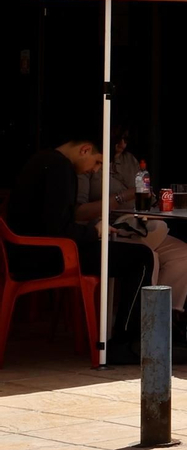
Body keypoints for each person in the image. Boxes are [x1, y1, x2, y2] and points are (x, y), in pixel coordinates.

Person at [7, 135, 166, 364]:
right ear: (85, 150)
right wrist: (95, 232)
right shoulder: (60, 168)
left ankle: (124, 337)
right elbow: (58, 228)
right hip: (47, 254)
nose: (95, 170)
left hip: (28, 251)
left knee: (130, 253)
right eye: (98, 162)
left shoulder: (42, 160)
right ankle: (123, 343)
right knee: (141, 257)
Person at [74, 124, 187, 316]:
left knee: (185, 254)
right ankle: (143, 325)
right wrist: (123, 196)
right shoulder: (88, 164)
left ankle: (164, 320)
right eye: (118, 140)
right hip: (109, 227)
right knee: (151, 251)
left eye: (126, 140)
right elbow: (79, 212)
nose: (122, 145)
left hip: (139, 223)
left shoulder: (129, 161)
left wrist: (153, 199)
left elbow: (144, 193)